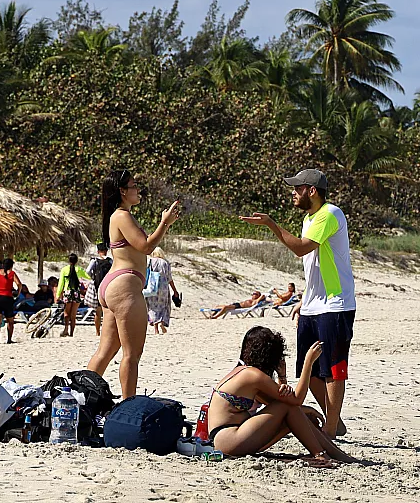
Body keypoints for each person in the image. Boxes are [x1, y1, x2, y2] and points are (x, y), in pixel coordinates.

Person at [241, 168, 357, 439]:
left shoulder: (330, 213)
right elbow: (314, 265)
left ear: (312, 191)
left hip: (336, 304)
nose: (293, 193)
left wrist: (271, 224)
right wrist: (305, 297)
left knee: (333, 368)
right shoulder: (309, 218)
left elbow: (301, 248)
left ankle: (329, 429)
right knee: (309, 367)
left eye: (297, 188)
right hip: (313, 305)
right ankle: (334, 421)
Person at [86, 170, 180, 398]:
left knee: (106, 351)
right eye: (134, 185)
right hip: (125, 284)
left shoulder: (119, 215)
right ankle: (128, 405)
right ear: (122, 191)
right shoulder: (121, 215)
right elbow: (146, 247)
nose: (138, 189)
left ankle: (83, 398)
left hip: (115, 283)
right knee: (132, 353)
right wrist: (164, 224)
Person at [207, 326, 353, 464]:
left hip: (234, 438)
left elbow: (278, 402)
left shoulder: (244, 372)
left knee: (301, 415)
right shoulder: (252, 375)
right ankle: (322, 454)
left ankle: (334, 454)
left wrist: (282, 377)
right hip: (228, 440)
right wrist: (308, 363)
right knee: (289, 408)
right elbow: (295, 400)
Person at [55, 253, 91, 337]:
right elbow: (88, 277)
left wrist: (57, 295)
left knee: (66, 313)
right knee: (73, 315)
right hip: (76, 293)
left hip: (67, 292)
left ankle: (66, 329)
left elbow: (61, 283)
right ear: (76, 261)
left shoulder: (64, 270)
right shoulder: (79, 269)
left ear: (69, 260)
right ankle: (71, 333)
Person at [146, 247, 179, 334]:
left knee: (152, 307)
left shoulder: (150, 261)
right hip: (163, 288)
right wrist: (175, 291)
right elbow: (169, 278)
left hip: (152, 286)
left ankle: (156, 329)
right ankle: (162, 322)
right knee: (164, 306)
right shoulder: (165, 263)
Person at [85, 243, 112, 336]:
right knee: (107, 311)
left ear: (98, 251)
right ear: (106, 251)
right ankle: (106, 331)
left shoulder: (95, 261)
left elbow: (87, 271)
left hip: (97, 286)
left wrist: (93, 277)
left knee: (98, 311)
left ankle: (97, 332)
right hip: (108, 286)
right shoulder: (110, 261)